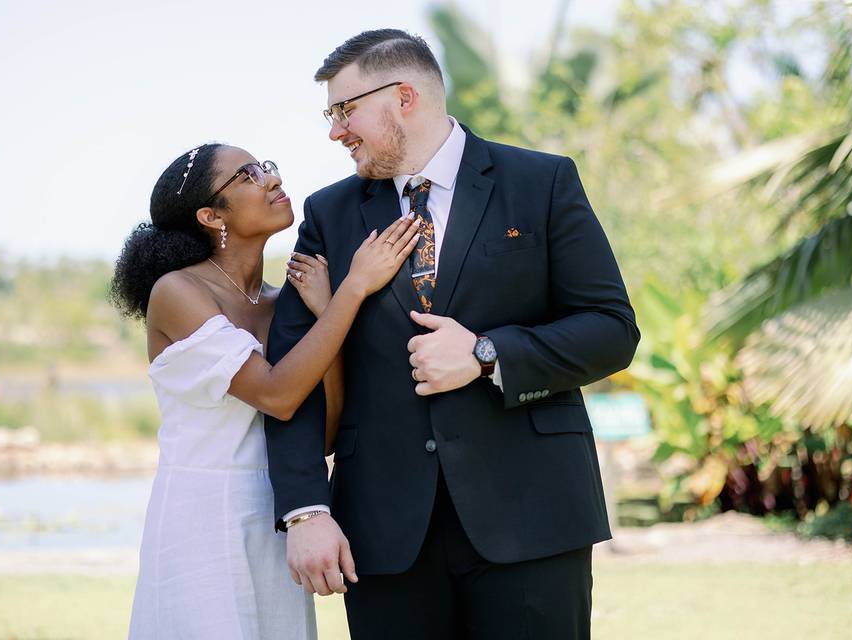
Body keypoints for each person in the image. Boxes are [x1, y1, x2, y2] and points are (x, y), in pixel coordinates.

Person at [265, 30, 640, 639]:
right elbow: (294, 370)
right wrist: (306, 509)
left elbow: (610, 330)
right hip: (382, 530)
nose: (335, 130)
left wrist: (487, 355)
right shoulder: (327, 213)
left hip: (533, 514)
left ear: (404, 97)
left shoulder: (541, 182)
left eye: (345, 110)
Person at [110, 142, 419, 640]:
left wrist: (324, 313)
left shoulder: (285, 303)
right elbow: (276, 394)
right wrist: (352, 290)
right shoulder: (176, 292)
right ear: (211, 215)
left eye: (267, 167)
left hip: (282, 512)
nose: (272, 179)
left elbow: (321, 435)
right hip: (203, 513)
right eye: (248, 175)